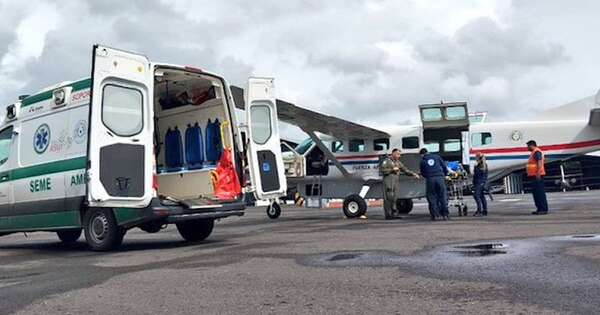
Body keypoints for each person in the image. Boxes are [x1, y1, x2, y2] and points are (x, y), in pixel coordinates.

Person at [380, 148, 420, 220]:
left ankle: (395, 214)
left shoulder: (398, 162)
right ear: (393, 153)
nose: (399, 156)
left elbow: (405, 170)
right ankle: (388, 215)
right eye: (398, 154)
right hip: (388, 183)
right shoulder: (386, 161)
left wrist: (413, 174)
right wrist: (392, 170)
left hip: (395, 183)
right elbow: (382, 171)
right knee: (388, 198)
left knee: (394, 198)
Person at [419, 148, 449, 221]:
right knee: (443, 196)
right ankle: (445, 215)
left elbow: (422, 173)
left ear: (422, 154)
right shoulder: (437, 157)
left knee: (431, 197)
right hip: (440, 178)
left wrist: (427, 176)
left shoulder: (422, 161)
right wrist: (444, 174)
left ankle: (434, 215)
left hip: (430, 180)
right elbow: (444, 166)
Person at [526, 140, 549, 215]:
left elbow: (539, 162)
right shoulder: (534, 152)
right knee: (536, 193)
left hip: (537, 175)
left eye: (528, 146)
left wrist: (538, 173)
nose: (527, 148)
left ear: (532, 145)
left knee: (540, 193)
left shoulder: (536, 152)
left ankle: (543, 209)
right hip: (534, 175)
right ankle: (539, 208)